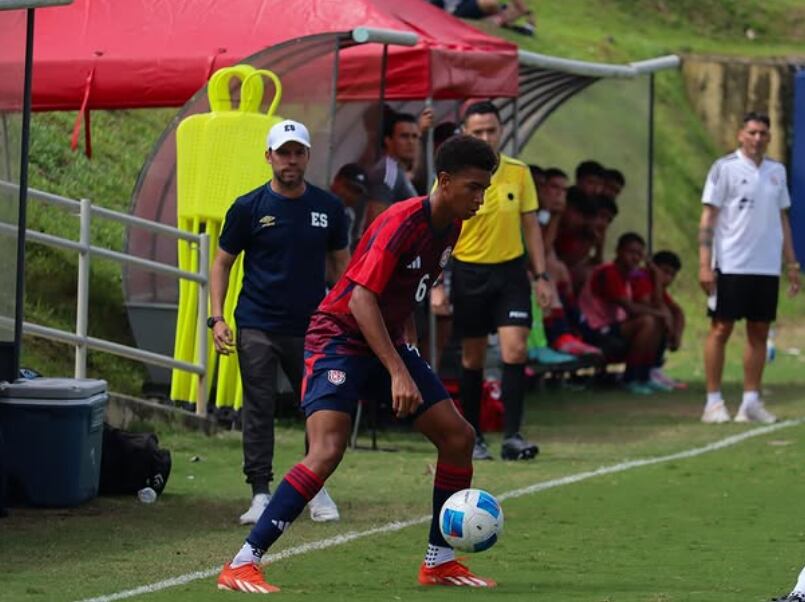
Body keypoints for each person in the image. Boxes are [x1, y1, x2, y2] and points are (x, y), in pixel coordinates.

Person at [216, 134, 500, 594]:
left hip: (384, 339)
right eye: (473, 187)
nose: (480, 199)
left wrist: (407, 351)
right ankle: (243, 563)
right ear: (444, 181)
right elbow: (364, 298)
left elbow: (402, 293)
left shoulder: (451, 228)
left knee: (458, 437)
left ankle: (439, 559)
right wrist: (398, 369)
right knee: (327, 450)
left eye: (485, 188)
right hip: (339, 338)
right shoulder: (400, 221)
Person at [210, 119, 349, 525]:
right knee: (259, 406)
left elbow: (343, 265)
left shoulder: (328, 208)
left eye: (298, 152)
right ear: (269, 157)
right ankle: (260, 493)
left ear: (307, 156)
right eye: (283, 152)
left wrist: (342, 316)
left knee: (318, 406)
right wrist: (217, 318)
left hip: (314, 325)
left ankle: (316, 487)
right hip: (256, 322)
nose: (291, 160)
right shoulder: (248, 207)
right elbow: (222, 263)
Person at [432, 100, 552, 462]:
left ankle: (513, 435)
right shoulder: (450, 178)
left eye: (491, 130)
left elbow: (531, 225)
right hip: (468, 271)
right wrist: (437, 281)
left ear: (501, 131)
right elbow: (435, 228)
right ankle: (475, 436)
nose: (486, 136)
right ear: (466, 133)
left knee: (515, 349)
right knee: (473, 357)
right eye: (478, 131)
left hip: (511, 272)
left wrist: (542, 275)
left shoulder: (518, 171)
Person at [698, 111, 801, 424]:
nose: (757, 139)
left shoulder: (777, 172)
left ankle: (751, 401)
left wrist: (791, 263)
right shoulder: (724, 168)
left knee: (759, 331)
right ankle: (713, 402)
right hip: (731, 262)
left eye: (763, 134)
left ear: (769, 137)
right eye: (752, 132)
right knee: (721, 328)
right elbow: (708, 218)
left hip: (766, 266)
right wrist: (705, 263)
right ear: (741, 134)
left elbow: (782, 218)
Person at [578, 232, 669, 394]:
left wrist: (656, 280)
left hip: (612, 327)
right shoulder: (609, 272)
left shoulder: (629, 277)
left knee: (653, 322)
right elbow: (631, 309)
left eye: (639, 254)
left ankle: (644, 376)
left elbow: (648, 304)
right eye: (631, 252)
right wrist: (661, 314)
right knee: (647, 322)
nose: (635, 258)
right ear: (618, 251)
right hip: (594, 329)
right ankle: (631, 378)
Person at [630, 250, 686, 389]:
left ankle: (653, 369)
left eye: (672, 274)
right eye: (664, 271)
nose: (667, 277)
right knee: (655, 321)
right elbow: (652, 306)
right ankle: (640, 373)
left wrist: (677, 335)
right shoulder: (641, 278)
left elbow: (677, 311)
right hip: (627, 325)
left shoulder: (657, 286)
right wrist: (657, 280)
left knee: (667, 316)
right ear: (653, 268)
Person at [364, 112, 420, 228]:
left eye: (415, 136)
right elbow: (376, 224)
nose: (411, 142)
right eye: (404, 136)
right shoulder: (386, 173)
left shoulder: (398, 172)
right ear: (388, 140)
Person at [330, 162, 369, 252]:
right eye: (347, 187)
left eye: (356, 192)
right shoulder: (318, 204)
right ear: (336, 180)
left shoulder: (349, 215)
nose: (349, 195)